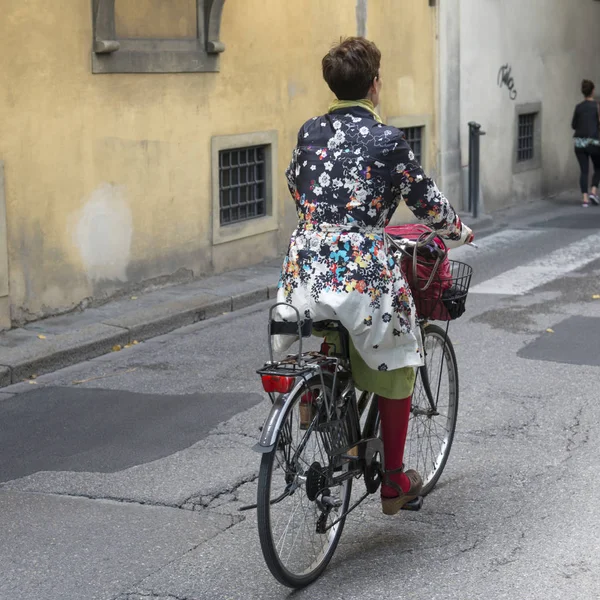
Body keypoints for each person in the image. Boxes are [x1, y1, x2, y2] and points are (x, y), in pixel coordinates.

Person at [275, 37, 473, 515]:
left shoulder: (309, 130)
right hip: (362, 265)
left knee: (328, 322)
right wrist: (459, 232)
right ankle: (394, 481)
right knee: (402, 356)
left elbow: (293, 182)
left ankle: (322, 398)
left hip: (305, 262)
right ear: (375, 86)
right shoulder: (386, 140)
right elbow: (424, 199)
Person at [571, 79, 600, 207]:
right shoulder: (597, 106)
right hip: (593, 142)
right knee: (598, 167)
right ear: (593, 91)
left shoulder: (578, 107)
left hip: (579, 143)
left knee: (584, 171)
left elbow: (573, 125)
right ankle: (593, 191)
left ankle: (585, 199)